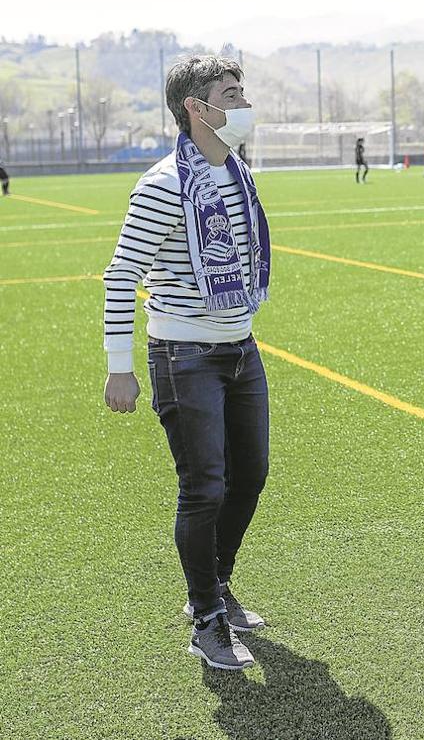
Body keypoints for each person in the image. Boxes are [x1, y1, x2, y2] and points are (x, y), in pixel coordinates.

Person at [102, 55, 273, 671]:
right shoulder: (162, 185)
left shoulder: (238, 173)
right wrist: (118, 364)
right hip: (183, 354)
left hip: (241, 347)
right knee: (205, 488)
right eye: (232, 94)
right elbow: (122, 275)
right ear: (197, 109)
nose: (244, 104)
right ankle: (205, 618)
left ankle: (218, 587)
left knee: (249, 476)